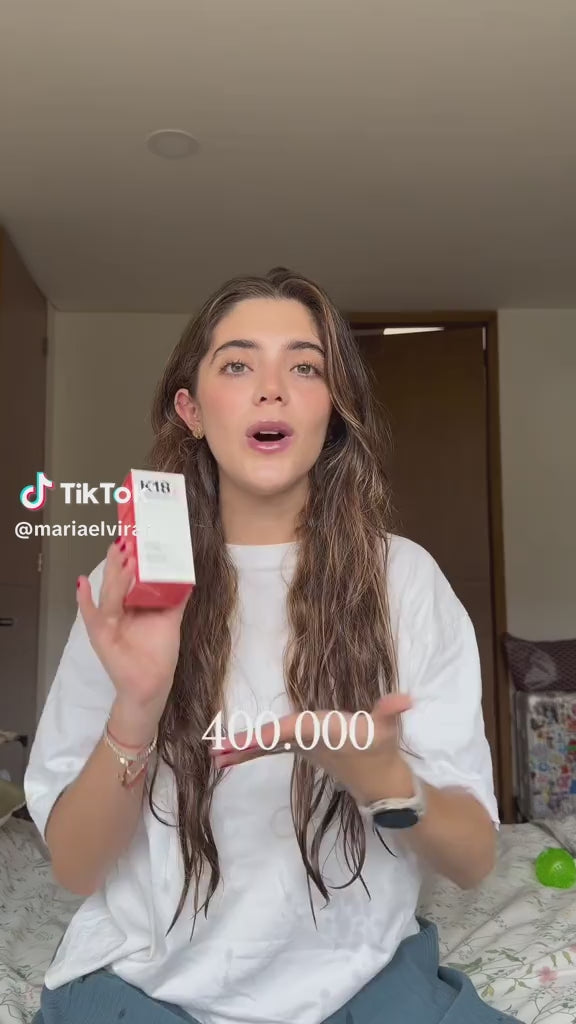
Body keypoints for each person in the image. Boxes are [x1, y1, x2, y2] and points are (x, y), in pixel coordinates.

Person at [25, 267, 511, 1024]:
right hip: (146, 992)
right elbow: (77, 867)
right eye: (238, 365)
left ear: (333, 410)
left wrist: (385, 778)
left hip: (366, 986)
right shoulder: (127, 584)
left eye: (305, 368)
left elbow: (475, 861)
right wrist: (138, 707)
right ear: (191, 410)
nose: (272, 389)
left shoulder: (404, 580)